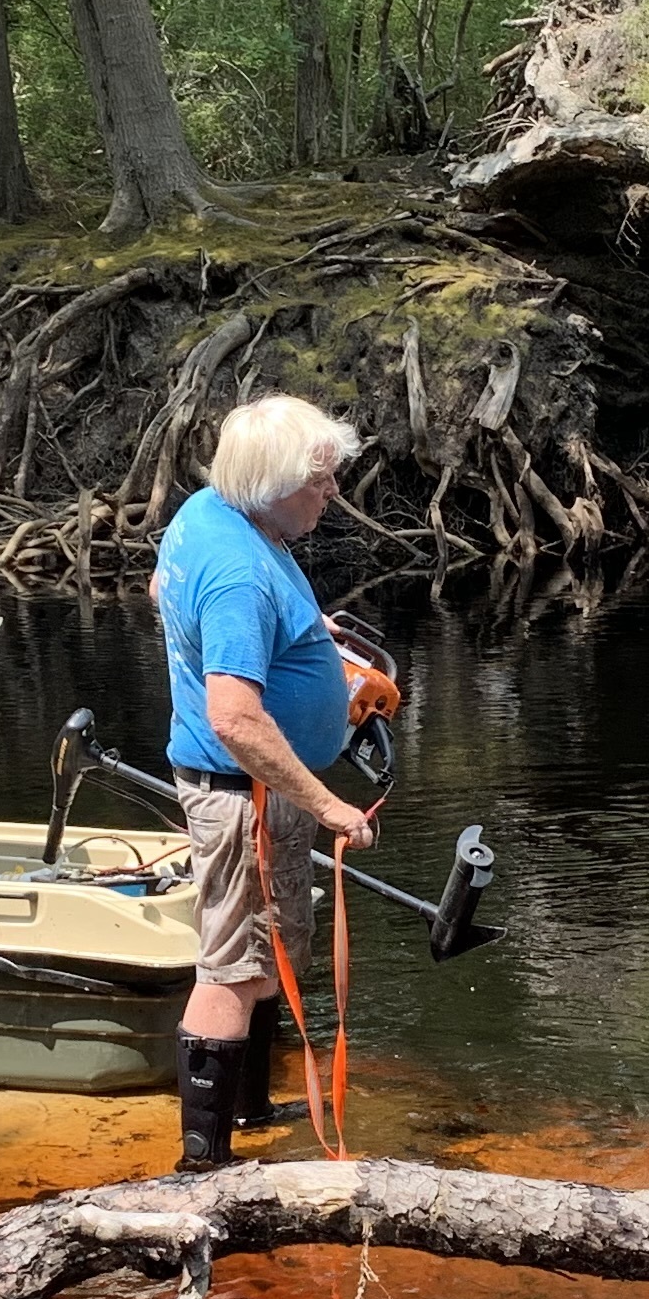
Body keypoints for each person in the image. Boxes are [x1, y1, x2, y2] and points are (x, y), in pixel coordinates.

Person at [154, 393, 380, 1173]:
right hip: (242, 796)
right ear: (271, 484)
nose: (333, 493)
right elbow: (236, 719)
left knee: (265, 951)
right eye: (321, 481)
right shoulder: (239, 574)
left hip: (250, 793)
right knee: (233, 966)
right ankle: (204, 1166)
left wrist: (299, 635)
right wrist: (329, 806)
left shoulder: (211, 512)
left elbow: (160, 592)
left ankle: (246, 1113)